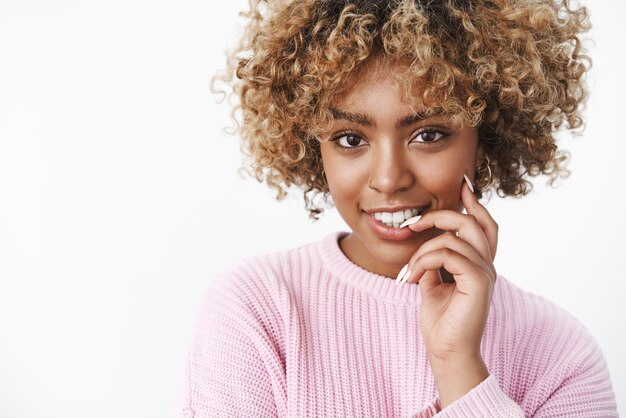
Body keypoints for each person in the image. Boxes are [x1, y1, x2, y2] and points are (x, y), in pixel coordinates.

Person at [178, 0, 618, 416]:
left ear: (486, 140)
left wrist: (457, 364)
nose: (389, 179)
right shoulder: (258, 309)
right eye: (351, 139)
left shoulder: (560, 356)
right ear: (313, 146)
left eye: (428, 134)